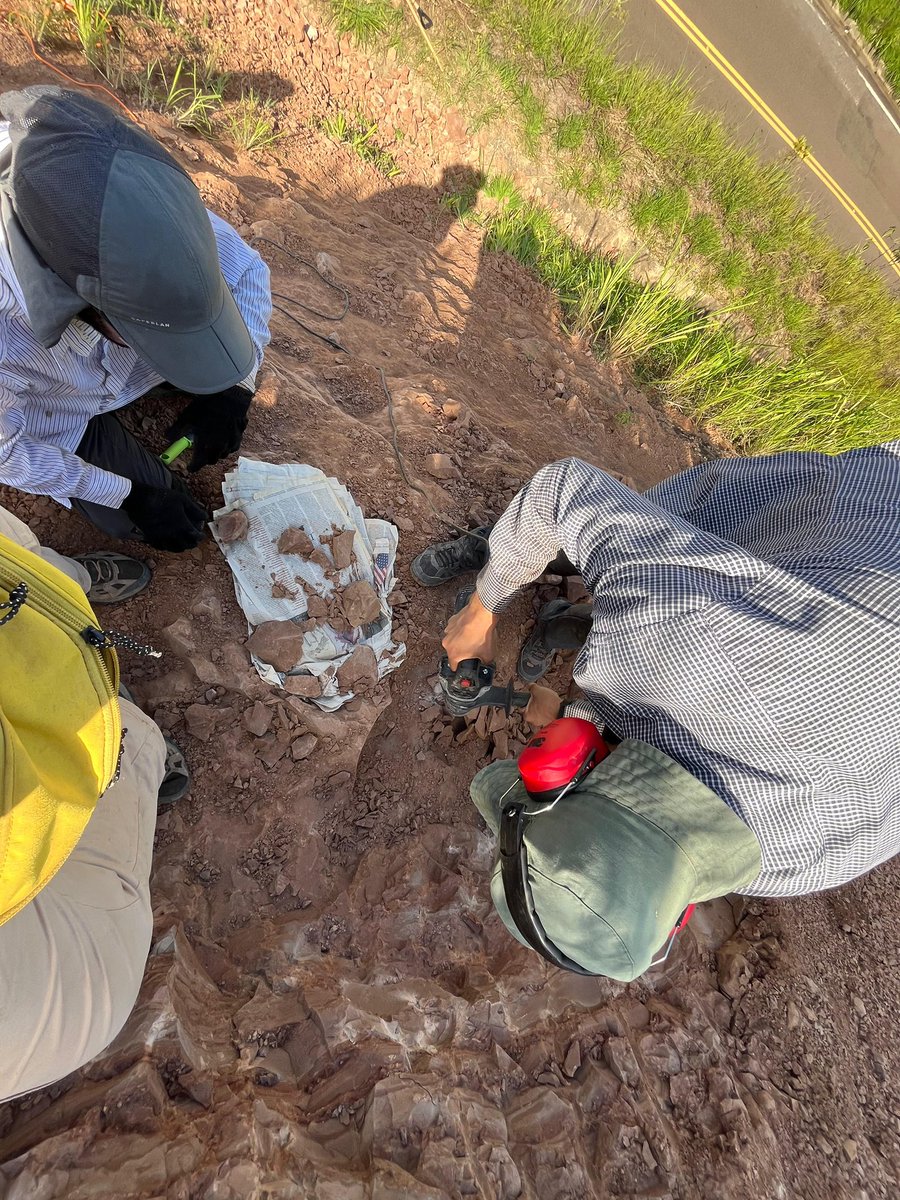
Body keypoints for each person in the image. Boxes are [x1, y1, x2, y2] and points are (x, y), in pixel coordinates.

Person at [412, 448, 900, 979]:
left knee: (644, 565)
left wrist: (577, 706)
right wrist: (484, 611)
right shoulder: (682, 632)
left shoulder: (796, 866)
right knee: (666, 531)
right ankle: (524, 556)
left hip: (818, 610)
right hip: (849, 513)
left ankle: (544, 580)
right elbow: (561, 491)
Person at [0, 85, 272, 556]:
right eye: (149, 336)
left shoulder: (117, 204)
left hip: (107, 355)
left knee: (221, 370)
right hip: (52, 410)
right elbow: (7, 452)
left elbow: (248, 271)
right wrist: (129, 494)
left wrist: (236, 389)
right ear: (82, 307)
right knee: (153, 514)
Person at [0, 502, 189, 1101]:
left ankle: (66, 584)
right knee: (108, 754)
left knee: (15, 551)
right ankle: (130, 738)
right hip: (26, 977)